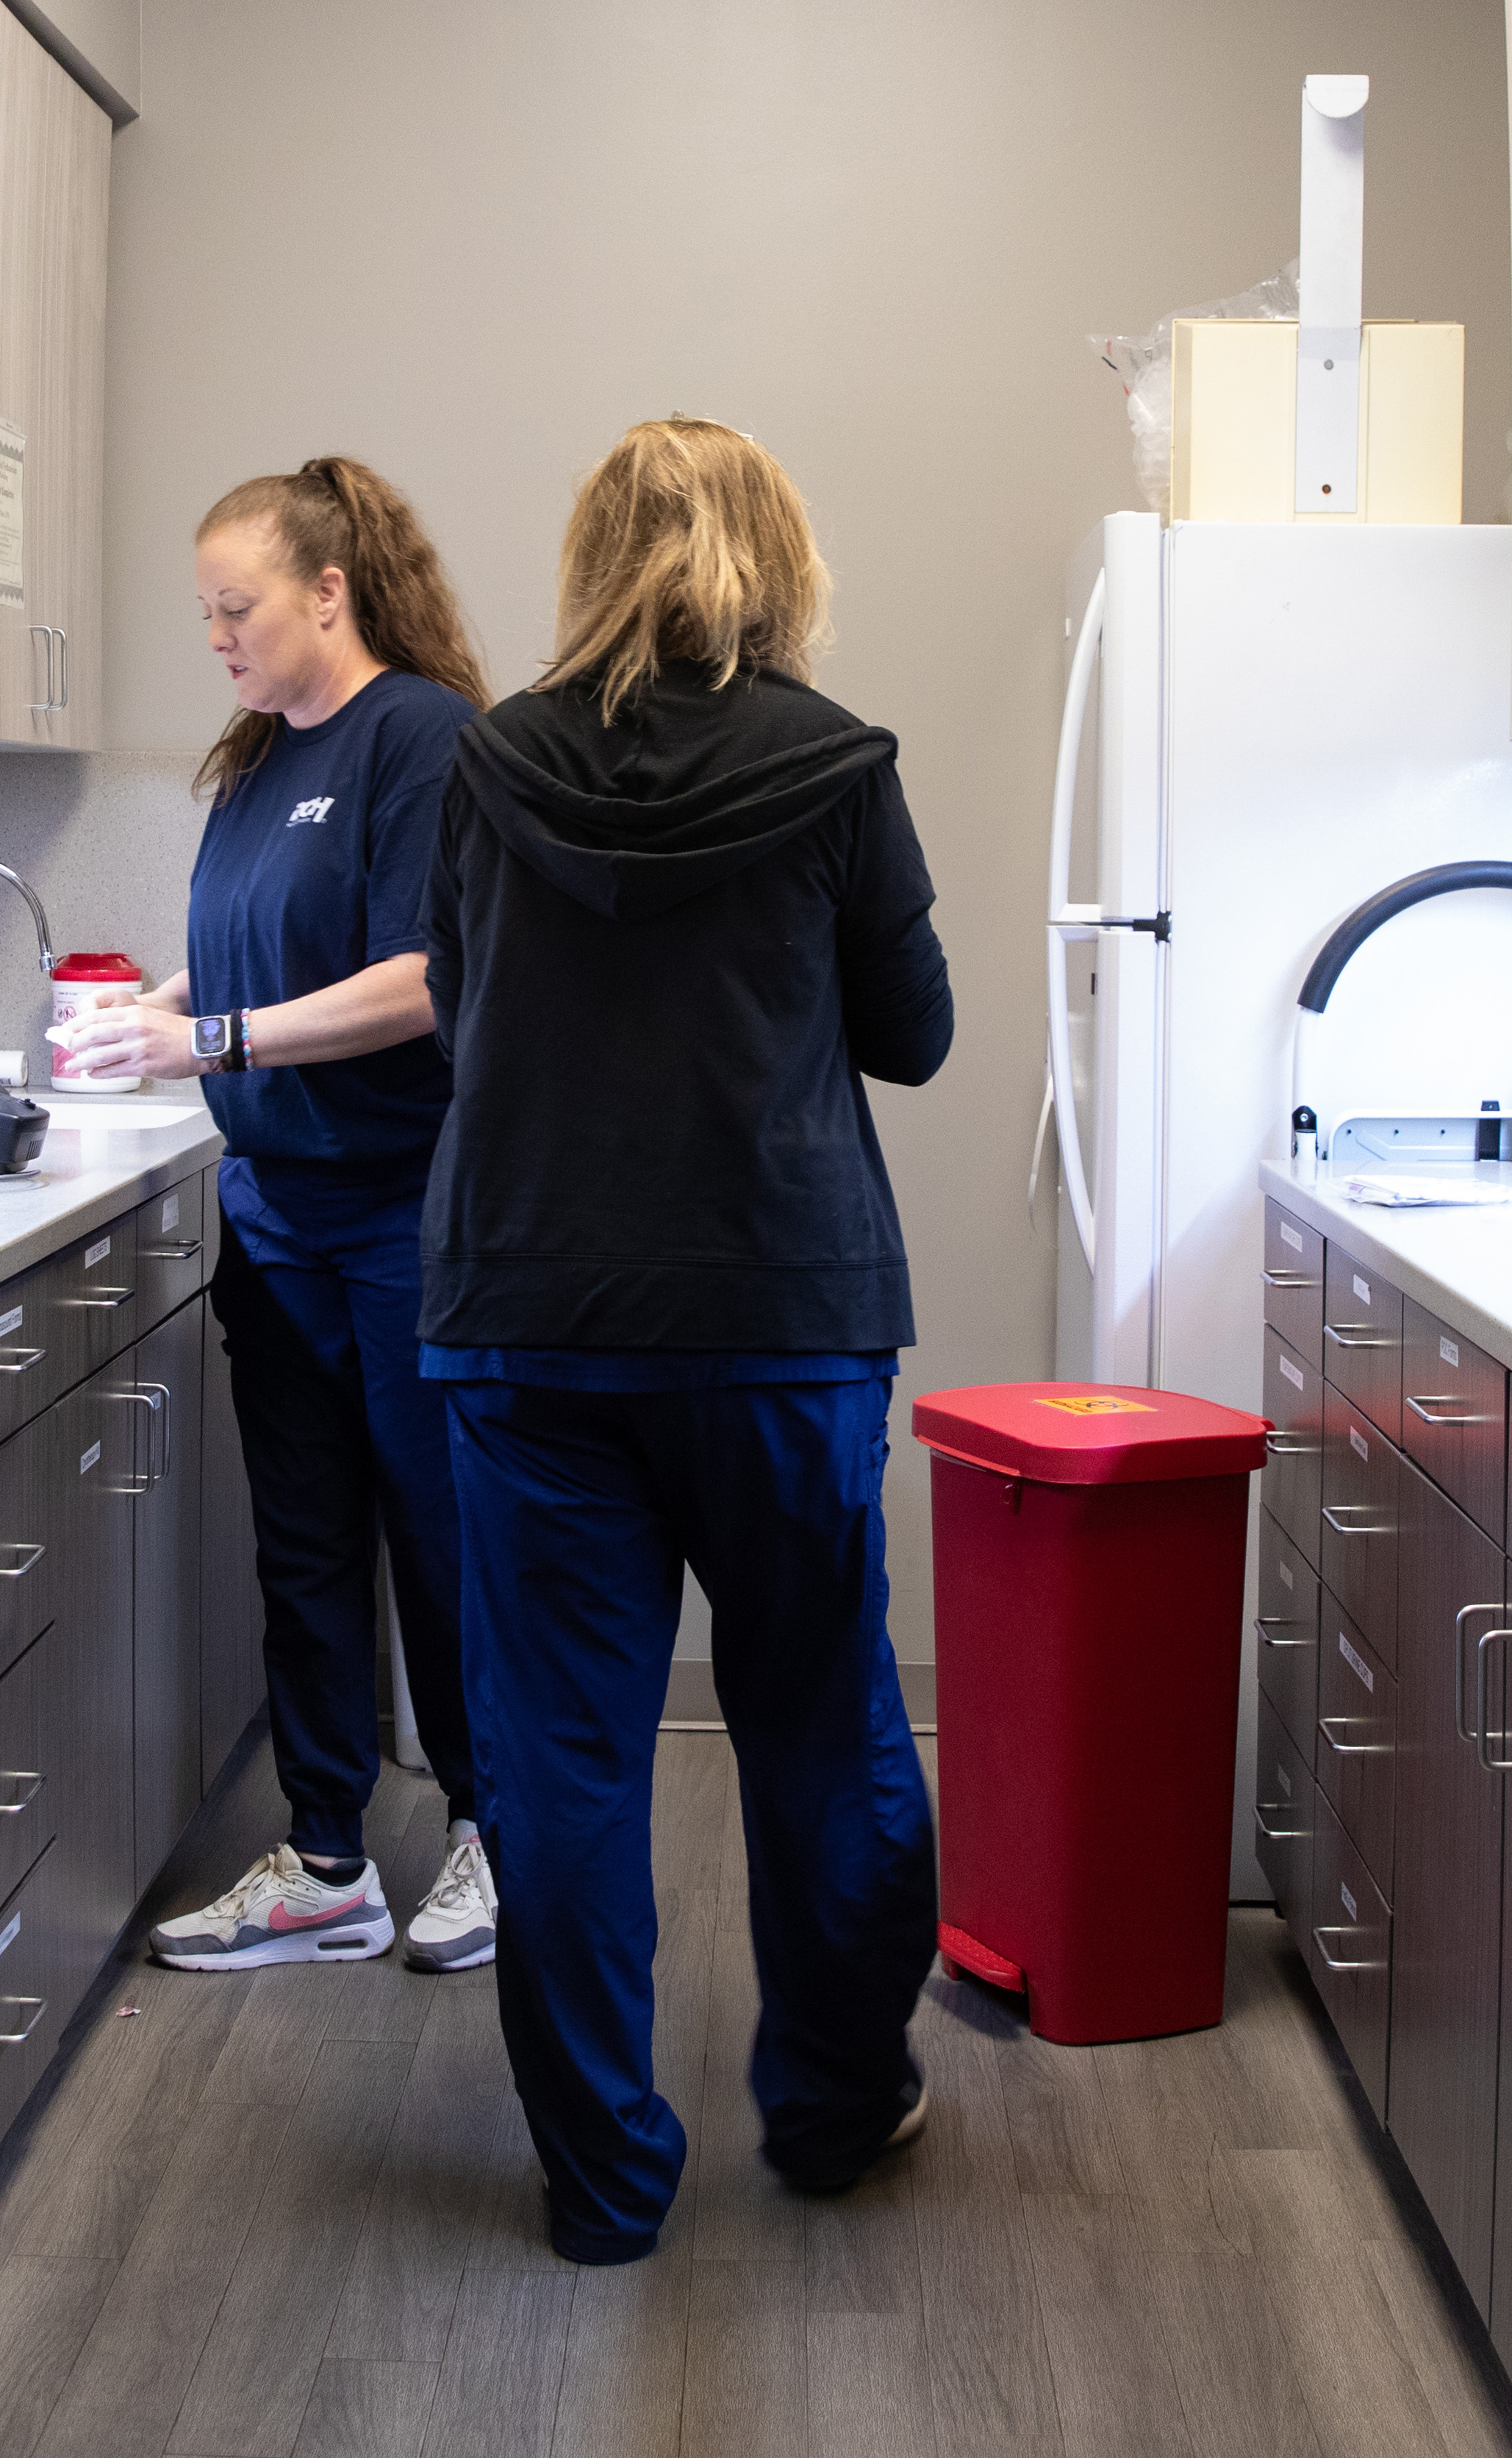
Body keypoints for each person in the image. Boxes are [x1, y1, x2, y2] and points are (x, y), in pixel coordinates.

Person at [415, 417, 955, 2265]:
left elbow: (458, 1014)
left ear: (591, 559)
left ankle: (604, 2183)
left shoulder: (492, 766)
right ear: (778, 557)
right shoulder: (837, 763)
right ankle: (826, 2105)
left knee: (561, 1756)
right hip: (781, 1322)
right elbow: (916, 1031)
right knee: (823, 1719)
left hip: (532, 1322)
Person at [54, 459, 503, 1976]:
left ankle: (493, 1836)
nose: (217, 634)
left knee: (442, 1538)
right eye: (205, 613)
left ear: (329, 591)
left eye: (235, 605)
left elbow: (423, 976)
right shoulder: (254, 763)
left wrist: (212, 1043)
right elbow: (262, 952)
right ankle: (327, 1861)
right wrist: (157, 1007)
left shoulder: (423, 741)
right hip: (278, 1214)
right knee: (305, 1544)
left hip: (404, 1213)